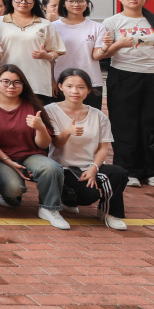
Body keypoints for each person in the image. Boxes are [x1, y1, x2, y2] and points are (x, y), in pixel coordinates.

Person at [100, 0, 154, 189]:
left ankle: (152, 171)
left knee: (151, 124)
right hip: (123, 76)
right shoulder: (112, 22)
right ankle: (128, 171)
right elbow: (103, 54)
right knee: (124, 124)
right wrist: (119, 44)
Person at [0, 64, 69, 230]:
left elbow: (44, 144)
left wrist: (40, 128)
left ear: (23, 85)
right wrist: (9, 161)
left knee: (52, 168)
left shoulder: (32, 105)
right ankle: (10, 198)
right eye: (6, 82)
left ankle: (49, 208)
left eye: (17, 82)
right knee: (14, 189)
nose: (11, 86)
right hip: (0, 157)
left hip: (31, 154)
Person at [44, 69, 128, 230]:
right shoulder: (50, 111)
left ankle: (109, 213)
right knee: (89, 195)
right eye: (69, 86)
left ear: (89, 90)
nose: (75, 91)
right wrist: (68, 132)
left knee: (119, 173)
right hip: (64, 169)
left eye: (81, 87)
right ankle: (66, 199)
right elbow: (57, 144)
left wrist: (93, 169)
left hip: (88, 166)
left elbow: (103, 148)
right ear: (60, 87)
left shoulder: (98, 116)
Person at [0, 0, 65, 106]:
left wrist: (47, 56)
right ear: (11, 0)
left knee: (37, 117)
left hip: (37, 84)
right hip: (7, 83)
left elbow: (56, 51)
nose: (23, 2)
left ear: (34, 1)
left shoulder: (45, 24)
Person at [54, 0, 107, 109]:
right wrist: (52, 82)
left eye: (80, 1)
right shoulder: (53, 27)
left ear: (87, 3)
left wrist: (106, 47)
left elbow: (96, 56)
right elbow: (51, 58)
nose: (76, 4)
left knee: (90, 117)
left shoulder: (97, 27)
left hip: (90, 82)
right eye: (71, 1)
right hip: (62, 82)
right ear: (63, 4)